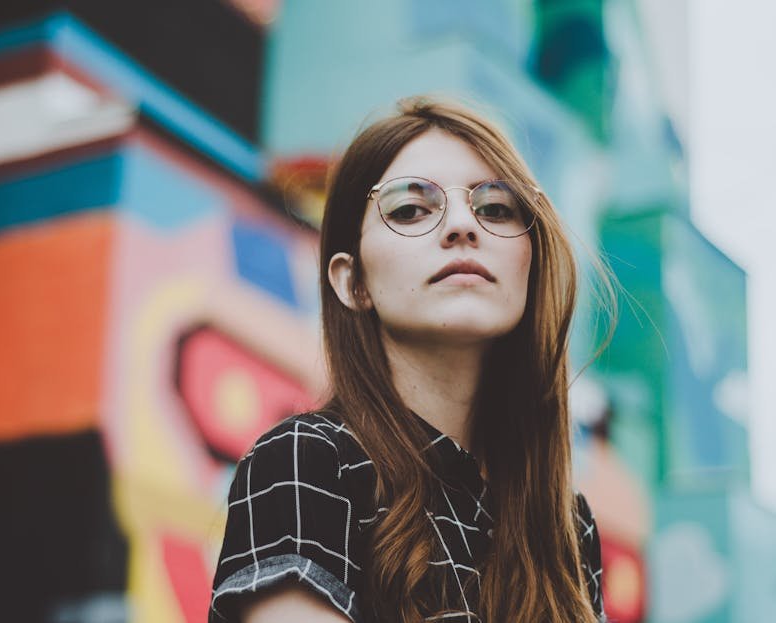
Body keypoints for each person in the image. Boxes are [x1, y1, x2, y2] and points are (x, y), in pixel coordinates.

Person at [208, 96, 609, 623]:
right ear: (352, 282)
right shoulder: (307, 460)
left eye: (496, 208)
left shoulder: (568, 526)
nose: (463, 225)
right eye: (410, 209)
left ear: (529, 266)